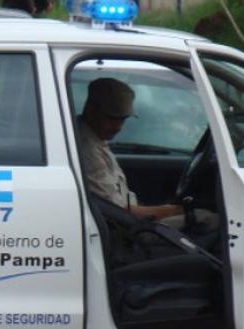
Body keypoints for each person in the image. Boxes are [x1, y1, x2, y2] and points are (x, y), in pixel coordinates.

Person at [77, 77, 184, 221]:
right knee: (206, 219)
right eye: (112, 118)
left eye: (123, 119)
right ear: (91, 109)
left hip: (129, 220)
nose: (118, 127)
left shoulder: (96, 138)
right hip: (123, 226)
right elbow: (118, 212)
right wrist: (173, 210)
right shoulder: (87, 150)